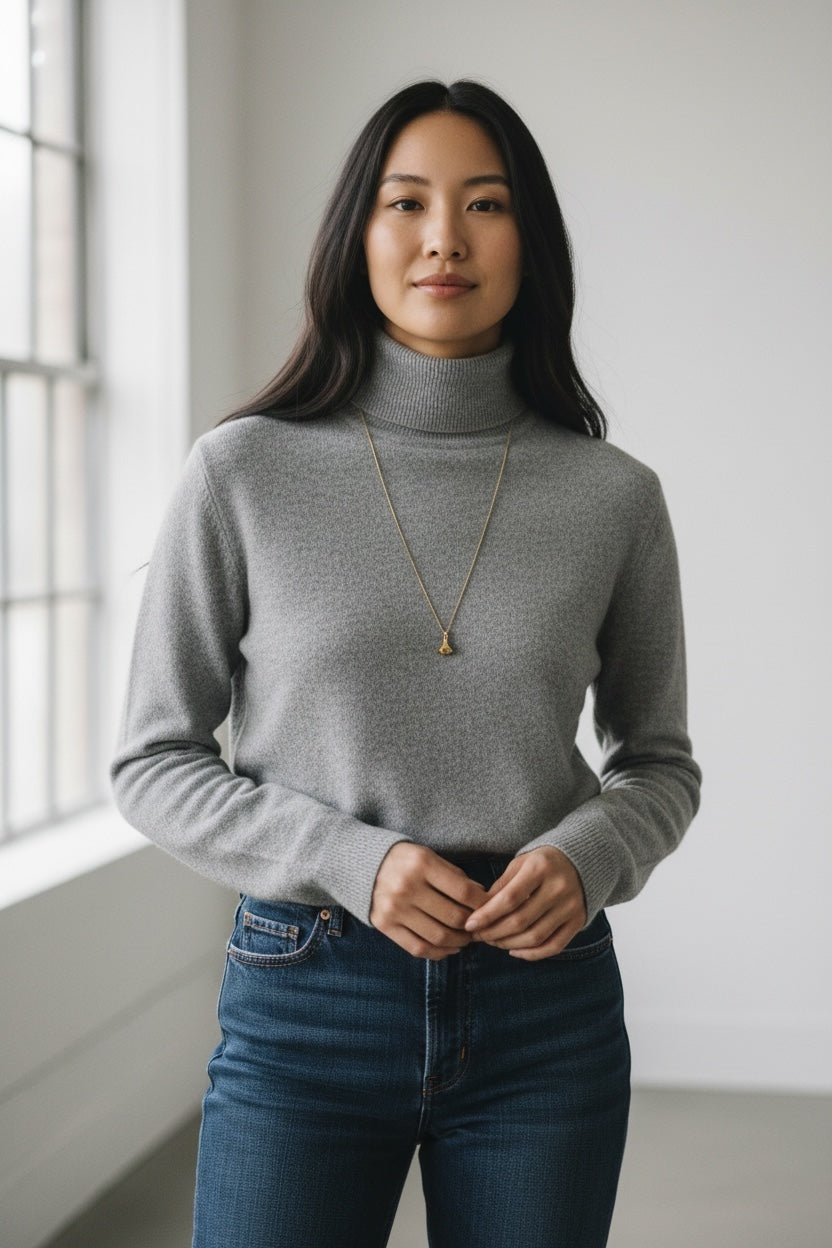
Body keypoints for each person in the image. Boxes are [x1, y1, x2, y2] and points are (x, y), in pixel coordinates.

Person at [111, 78, 701, 1248]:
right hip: (307, 994)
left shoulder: (612, 498)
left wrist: (589, 853)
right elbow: (153, 762)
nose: (444, 238)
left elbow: (660, 763)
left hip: (546, 1006)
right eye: (406, 202)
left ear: (530, 239)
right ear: (357, 234)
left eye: (484, 204)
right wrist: (349, 858)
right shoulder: (242, 473)